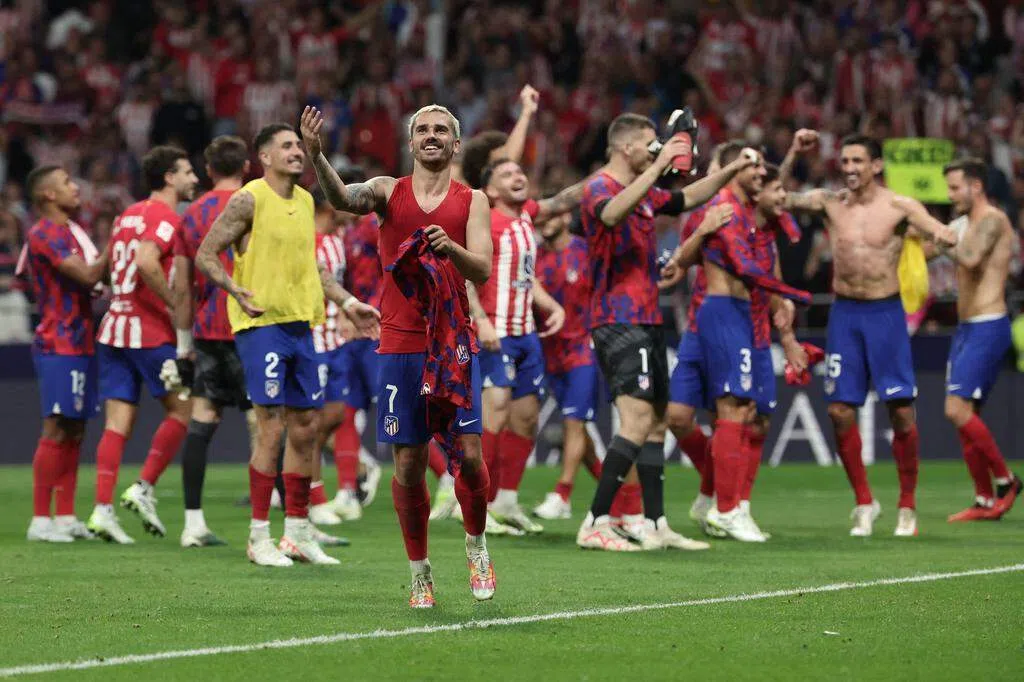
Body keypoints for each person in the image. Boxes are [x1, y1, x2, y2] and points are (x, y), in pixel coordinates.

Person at [301, 103, 495, 607]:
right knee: (408, 463)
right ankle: (419, 570)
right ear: (411, 143)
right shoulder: (388, 191)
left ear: (455, 144)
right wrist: (317, 156)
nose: (431, 136)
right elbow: (343, 199)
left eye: (441, 130)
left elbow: (483, 270)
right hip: (400, 343)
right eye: (422, 129)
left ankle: (476, 544)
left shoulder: (473, 200)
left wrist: (451, 249)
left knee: (470, 457)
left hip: (452, 342)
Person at [195, 123, 379, 567]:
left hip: (302, 326)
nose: (296, 151)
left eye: (299, 145)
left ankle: (297, 532)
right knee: (272, 429)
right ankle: (259, 536)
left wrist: (349, 302)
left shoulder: (304, 201)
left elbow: (315, 268)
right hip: (263, 327)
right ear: (264, 157)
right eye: (287, 146)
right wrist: (234, 289)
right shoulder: (249, 199)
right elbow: (206, 252)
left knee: (306, 428)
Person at [575, 112, 752, 552]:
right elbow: (611, 215)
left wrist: (732, 169)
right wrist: (659, 165)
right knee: (636, 421)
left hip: (649, 318)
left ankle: (655, 524)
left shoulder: (646, 193)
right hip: (617, 319)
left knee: (655, 425)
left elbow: (687, 197)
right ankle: (595, 521)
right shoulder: (599, 186)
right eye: (651, 143)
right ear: (627, 147)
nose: (658, 150)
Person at [785, 132, 958, 537]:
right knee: (839, 411)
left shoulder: (899, 206)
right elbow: (778, 196)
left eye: (858, 161)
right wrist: (793, 152)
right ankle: (864, 502)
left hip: (886, 314)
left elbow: (938, 230)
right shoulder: (829, 202)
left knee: (901, 412)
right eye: (845, 161)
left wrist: (944, 235)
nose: (849, 169)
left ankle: (907, 505)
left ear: (876, 166)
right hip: (845, 314)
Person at [668, 158, 809, 540]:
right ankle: (725, 505)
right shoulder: (720, 211)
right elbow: (681, 262)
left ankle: (728, 503)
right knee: (692, 414)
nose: (765, 180)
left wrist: (788, 333)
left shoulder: (761, 225)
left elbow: (768, 280)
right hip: (715, 318)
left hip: (752, 324)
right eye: (752, 169)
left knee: (749, 415)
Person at [447, 158, 578, 534]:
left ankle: (506, 500)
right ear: (490, 190)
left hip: (526, 334)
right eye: (506, 174)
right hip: (495, 332)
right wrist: (481, 319)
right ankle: (476, 505)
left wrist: (550, 304)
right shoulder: (486, 222)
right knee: (496, 411)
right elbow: (464, 275)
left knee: (526, 417)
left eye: (520, 171)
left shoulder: (527, 218)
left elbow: (524, 275)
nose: (517, 176)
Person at [895, 159, 1022, 521]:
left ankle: (1006, 481)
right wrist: (905, 233)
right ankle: (984, 500)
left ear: (975, 186)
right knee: (967, 416)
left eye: (954, 188)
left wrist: (936, 232)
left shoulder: (993, 220)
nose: (949, 195)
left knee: (955, 410)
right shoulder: (962, 224)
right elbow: (926, 251)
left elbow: (969, 257)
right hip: (967, 328)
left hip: (989, 324)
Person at [87, 145, 198, 544]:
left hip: (113, 327)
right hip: (148, 330)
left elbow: (104, 269)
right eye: (187, 172)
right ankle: (144, 486)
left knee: (117, 424)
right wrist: (173, 304)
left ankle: (102, 510)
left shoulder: (126, 215)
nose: (194, 178)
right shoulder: (166, 217)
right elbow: (147, 261)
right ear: (169, 177)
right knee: (185, 410)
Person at [176, 135, 255, 548]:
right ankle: (275, 524)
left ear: (208, 170)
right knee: (266, 422)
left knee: (203, 419)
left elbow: (181, 286)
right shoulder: (257, 203)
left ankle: (192, 524)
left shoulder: (190, 214)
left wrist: (182, 343)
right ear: (246, 167)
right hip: (251, 325)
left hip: (208, 329)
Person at [23, 165, 108, 542]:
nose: (76, 188)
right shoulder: (43, 233)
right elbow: (88, 276)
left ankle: (66, 516)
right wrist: (116, 241)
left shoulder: (73, 233)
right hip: (59, 342)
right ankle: (41, 519)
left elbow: (96, 277)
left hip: (81, 340)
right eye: (68, 183)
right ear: (49, 195)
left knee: (76, 428)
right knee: (57, 426)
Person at [532, 211, 606, 520]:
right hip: (550, 353)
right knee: (579, 431)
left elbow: (605, 291)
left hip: (583, 350)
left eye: (550, 216)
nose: (544, 222)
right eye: (540, 218)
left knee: (573, 422)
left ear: (565, 216)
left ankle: (562, 494)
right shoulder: (533, 256)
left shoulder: (586, 251)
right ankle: (616, 496)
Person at [334, 167, 384, 522]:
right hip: (352, 334)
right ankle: (347, 491)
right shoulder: (345, 232)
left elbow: (392, 271)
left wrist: (374, 314)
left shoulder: (374, 226)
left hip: (378, 331)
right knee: (346, 412)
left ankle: (446, 478)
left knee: (395, 413)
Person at [456, 85, 539, 189]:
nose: (496, 107)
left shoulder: (512, 126)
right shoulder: (480, 128)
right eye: (492, 104)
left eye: (499, 104)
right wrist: (526, 111)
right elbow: (509, 158)